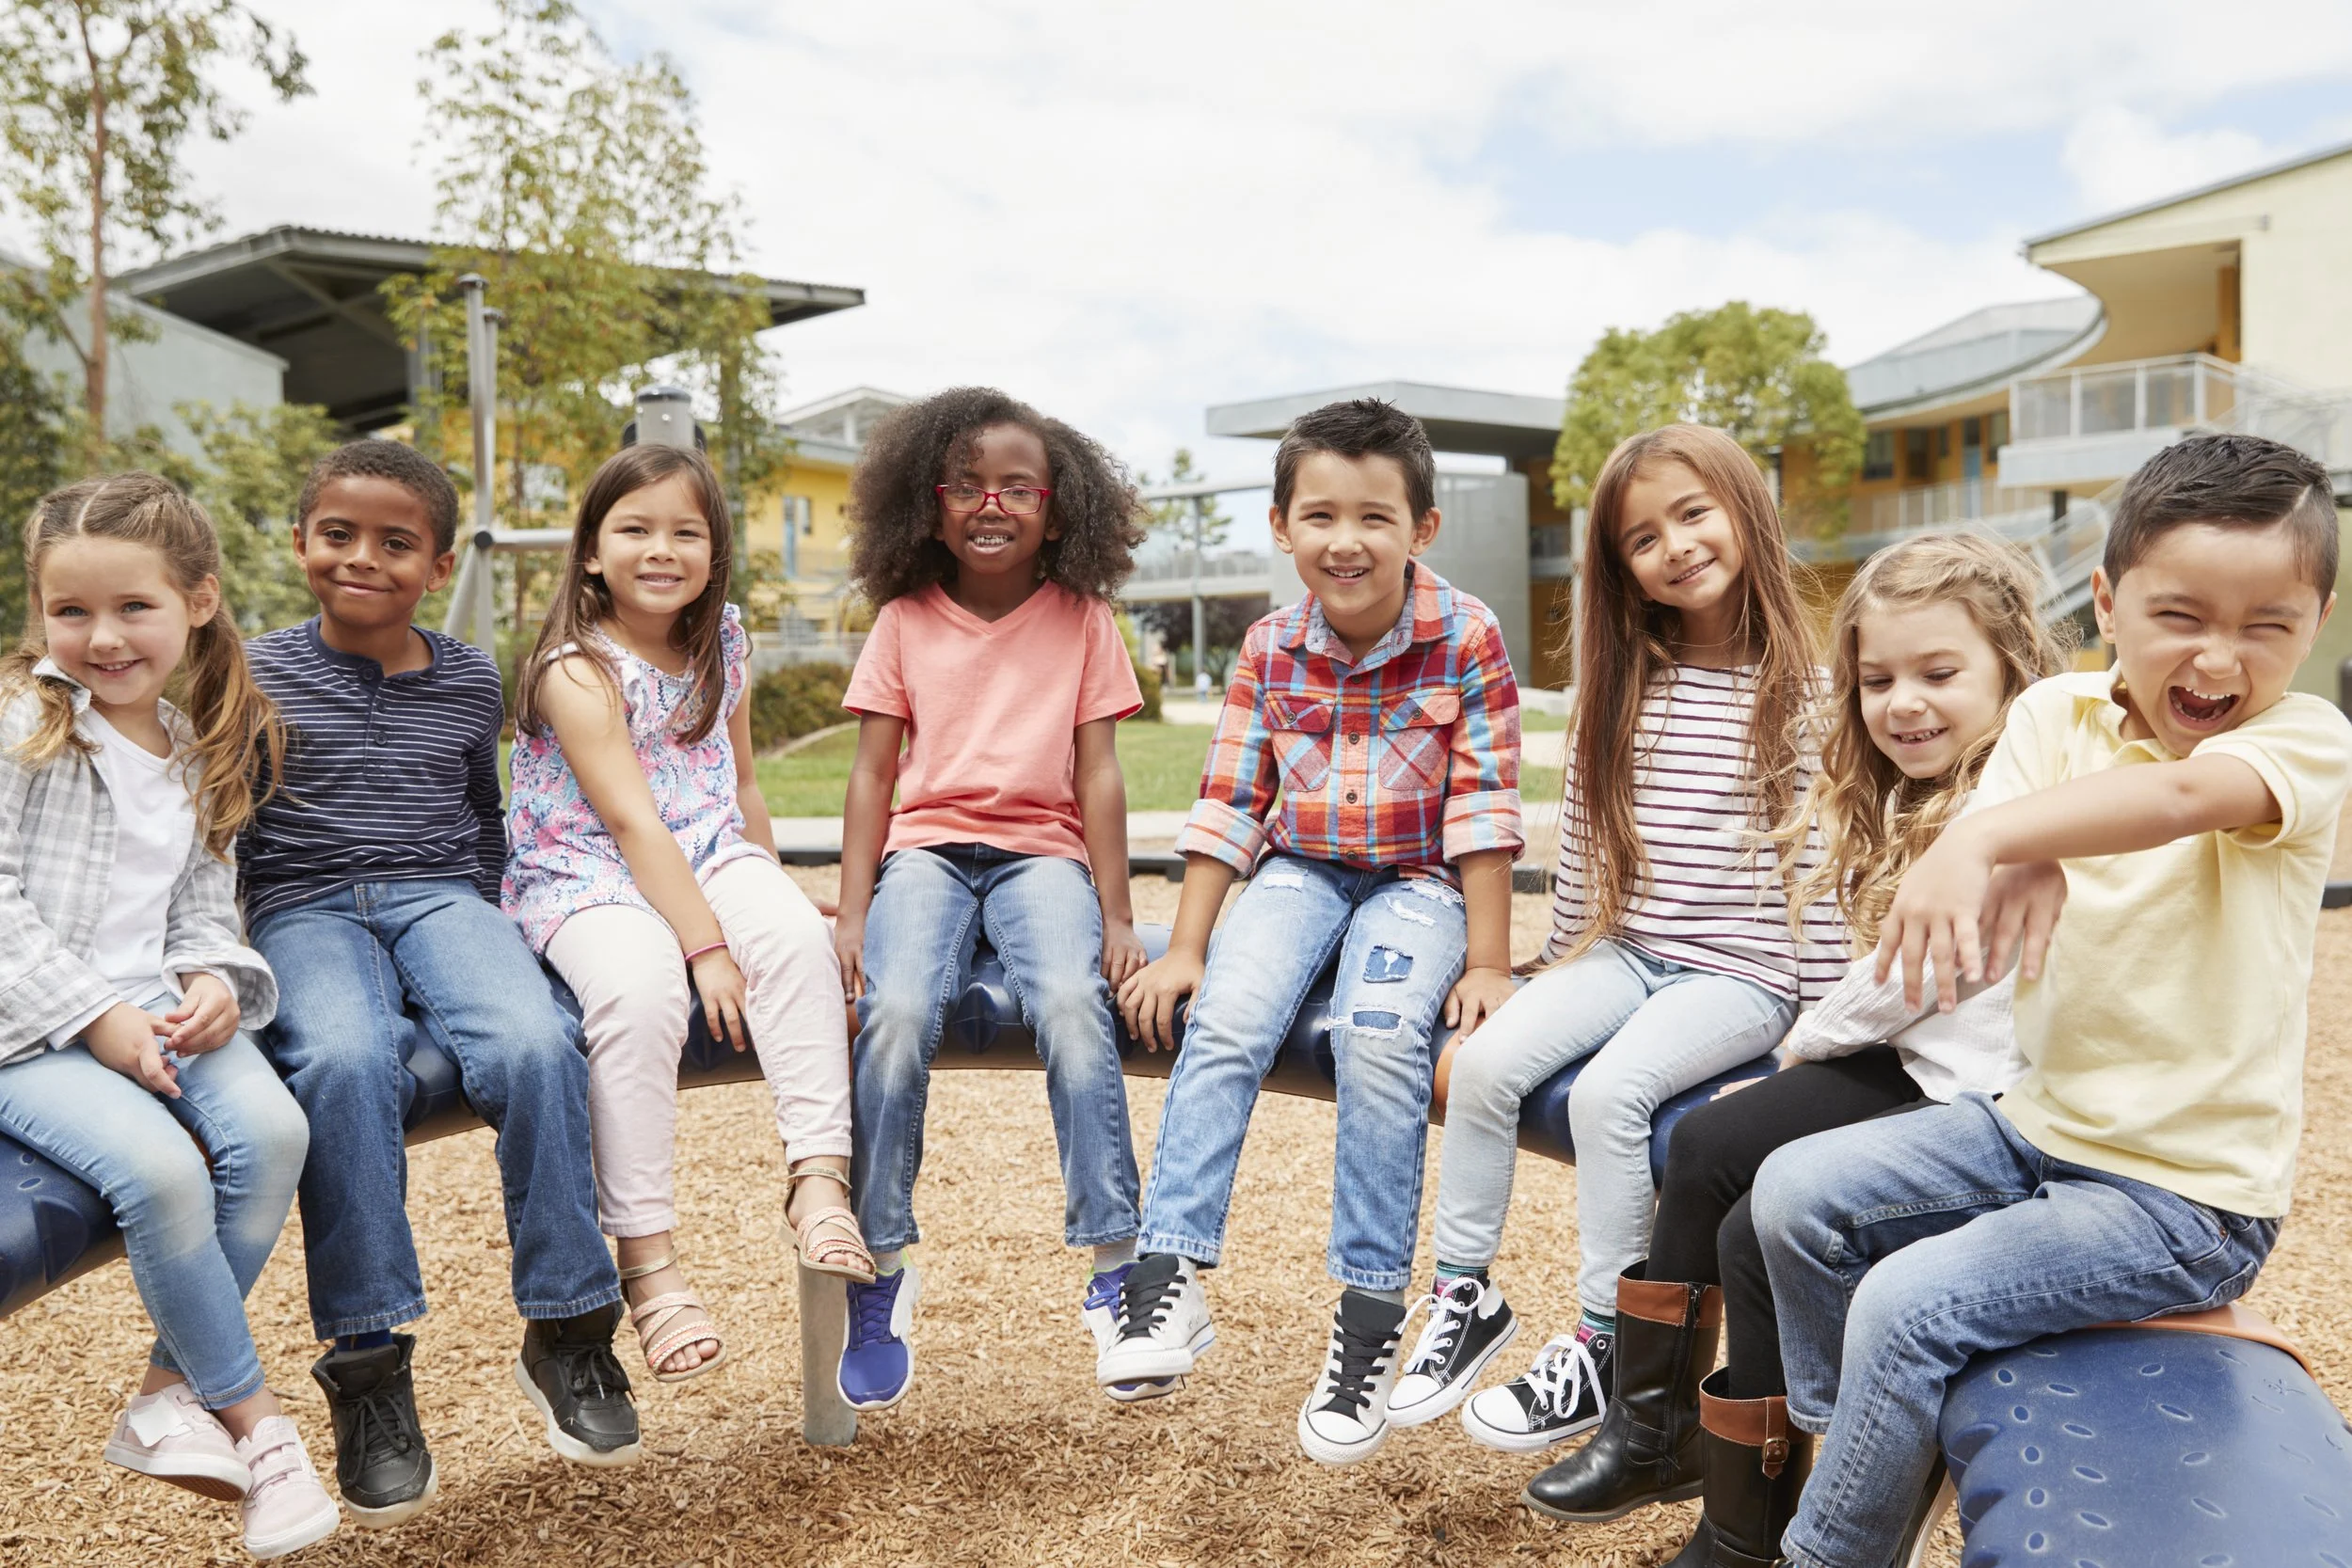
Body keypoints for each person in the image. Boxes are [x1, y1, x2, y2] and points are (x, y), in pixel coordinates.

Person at [1753, 433, 2350, 1568]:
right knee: (1794, 1193)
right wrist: (2005, 847)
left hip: (2181, 1198)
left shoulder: (2303, 741)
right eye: (2180, 614)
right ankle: (1868, 1449)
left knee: (1905, 1303)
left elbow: (2179, 796)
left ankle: (1827, 1553)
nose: (2219, 659)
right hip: (2035, 1122)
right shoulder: (2052, 718)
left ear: (2314, 621)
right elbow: (2018, 845)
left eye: (2265, 625)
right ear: (2106, 600)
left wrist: (1990, 836)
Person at [1516, 533, 2065, 1563]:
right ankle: (1654, 1429)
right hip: (1921, 1053)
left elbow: (1908, 972)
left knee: (1745, 1228)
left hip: (1970, 1089)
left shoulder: (2010, 803)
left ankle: (1738, 1526)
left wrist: (1803, 1041)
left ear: (2015, 671)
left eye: (1940, 673)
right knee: (1710, 1144)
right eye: (1878, 678)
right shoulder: (1914, 787)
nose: (1904, 701)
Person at [1389, 424, 1842, 1464]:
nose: (1675, 545)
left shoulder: (1808, 696)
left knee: (1608, 1096)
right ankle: (1463, 1292)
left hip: (1742, 974)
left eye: (1693, 513)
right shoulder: (1623, 679)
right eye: (1644, 536)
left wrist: (1812, 1030)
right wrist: (1548, 964)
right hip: (1626, 949)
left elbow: (1816, 869)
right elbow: (1590, 840)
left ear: (1745, 512)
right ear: (1621, 568)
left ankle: (1603, 1338)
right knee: (1485, 1062)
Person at [1098, 397, 1524, 1467]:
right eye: (1320, 515)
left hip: (1418, 881)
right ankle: (1169, 1272)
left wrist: (1486, 960)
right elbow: (1231, 799)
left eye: (1375, 517)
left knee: (1380, 1035)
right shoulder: (1269, 643)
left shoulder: (1465, 632)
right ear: (1282, 526)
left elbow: (1482, 805)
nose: (1347, 540)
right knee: (1230, 1016)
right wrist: (1188, 945)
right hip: (1299, 869)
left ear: (1421, 529)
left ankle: (1372, 1317)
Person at [243, 440, 638, 1524]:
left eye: (395, 542)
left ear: (437, 559)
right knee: (345, 1057)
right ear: (300, 543)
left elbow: (482, 812)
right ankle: (368, 1367)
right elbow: (221, 820)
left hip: (440, 895)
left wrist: (477, 930)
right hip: (304, 906)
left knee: (533, 1038)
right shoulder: (252, 668)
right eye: (338, 535)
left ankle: (569, 1325)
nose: (362, 558)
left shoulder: (468, 673)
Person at [0, 473, 338, 1560]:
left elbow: (200, 903)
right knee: (162, 1172)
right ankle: (262, 1425)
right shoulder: (24, 727)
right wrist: (95, 1013)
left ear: (197, 599)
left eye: (131, 607)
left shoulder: (193, 740)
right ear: (40, 608)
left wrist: (210, 981)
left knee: (277, 1130)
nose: (101, 636)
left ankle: (161, 1396)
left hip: (150, 1007)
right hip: (26, 1026)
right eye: (71, 610)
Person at [506, 444, 869, 1394]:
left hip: (704, 849)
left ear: (713, 551)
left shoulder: (724, 640)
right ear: (590, 551)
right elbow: (629, 819)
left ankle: (820, 1182)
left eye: (685, 531)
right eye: (634, 528)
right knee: (640, 990)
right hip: (588, 868)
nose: (660, 548)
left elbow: (739, 780)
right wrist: (708, 948)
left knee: (795, 943)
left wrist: (770, 888)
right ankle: (650, 1262)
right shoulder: (574, 667)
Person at [830, 387, 1152, 1412]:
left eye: (1017, 486)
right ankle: (879, 1268)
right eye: (966, 485)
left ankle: (1115, 1266)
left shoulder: (1084, 620)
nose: (991, 502)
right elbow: (873, 776)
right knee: (896, 1013)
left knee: (1069, 1002)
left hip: (1039, 854)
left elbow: (1098, 775)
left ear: (1058, 511)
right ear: (929, 506)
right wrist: (848, 911)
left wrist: (1114, 912)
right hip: (925, 852)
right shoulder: (903, 619)